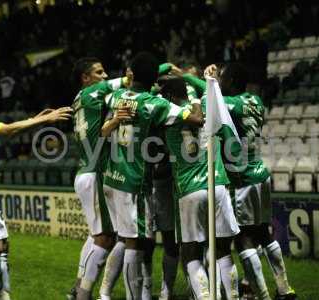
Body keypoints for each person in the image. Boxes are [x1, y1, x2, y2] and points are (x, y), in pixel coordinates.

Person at [102, 52, 203, 300]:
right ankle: (135, 295)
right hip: (136, 181)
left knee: (127, 239)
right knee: (136, 242)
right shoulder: (156, 104)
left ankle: (111, 292)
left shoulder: (115, 97)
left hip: (112, 177)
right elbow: (196, 119)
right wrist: (196, 98)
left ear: (132, 74)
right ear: (154, 80)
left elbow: (104, 131)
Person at [203, 63, 296, 300]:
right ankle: (285, 289)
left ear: (231, 81)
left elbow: (214, 102)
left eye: (222, 78)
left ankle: (262, 295)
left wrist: (205, 81)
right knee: (264, 234)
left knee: (244, 237)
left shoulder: (231, 105)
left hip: (242, 179)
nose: (219, 82)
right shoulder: (256, 101)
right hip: (261, 174)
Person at [0, 73, 72, 300]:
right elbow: (7, 131)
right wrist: (42, 121)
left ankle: (4, 297)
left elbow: (8, 129)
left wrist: (33, 119)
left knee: (3, 246)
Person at [158, 75, 240, 300]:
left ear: (169, 96)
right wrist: (198, 78)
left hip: (189, 189)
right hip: (218, 184)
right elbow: (210, 88)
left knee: (190, 251)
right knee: (223, 250)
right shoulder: (204, 105)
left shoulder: (168, 115)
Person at [70, 57, 134, 300]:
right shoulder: (95, 91)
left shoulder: (80, 98)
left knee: (99, 234)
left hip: (86, 170)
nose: (105, 76)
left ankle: (77, 288)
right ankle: (83, 294)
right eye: (99, 72)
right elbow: (132, 78)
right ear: (86, 78)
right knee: (104, 238)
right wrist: (163, 67)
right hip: (95, 171)